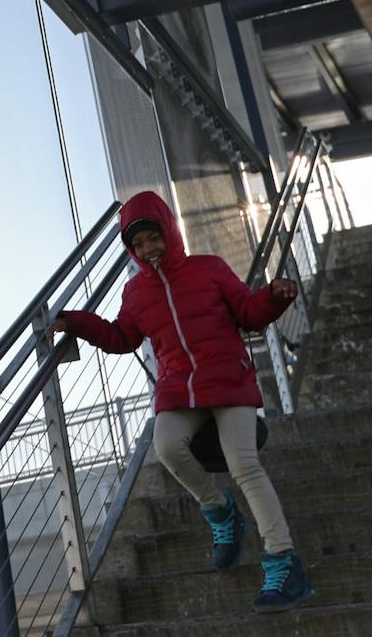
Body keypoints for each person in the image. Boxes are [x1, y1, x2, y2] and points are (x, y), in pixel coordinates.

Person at [52, 190, 310, 613]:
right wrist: (75, 322)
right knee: (167, 445)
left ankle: (283, 561)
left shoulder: (208, 269)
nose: (148, 249)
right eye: (138, 245)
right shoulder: (135, 294)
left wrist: (275, 296)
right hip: (180, 389)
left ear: (169, 233)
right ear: (131, 251)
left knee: (244, 463)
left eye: (154, 238)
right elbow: (121, 338)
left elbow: (247, 312)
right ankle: (221, 511)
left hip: (228, 379)